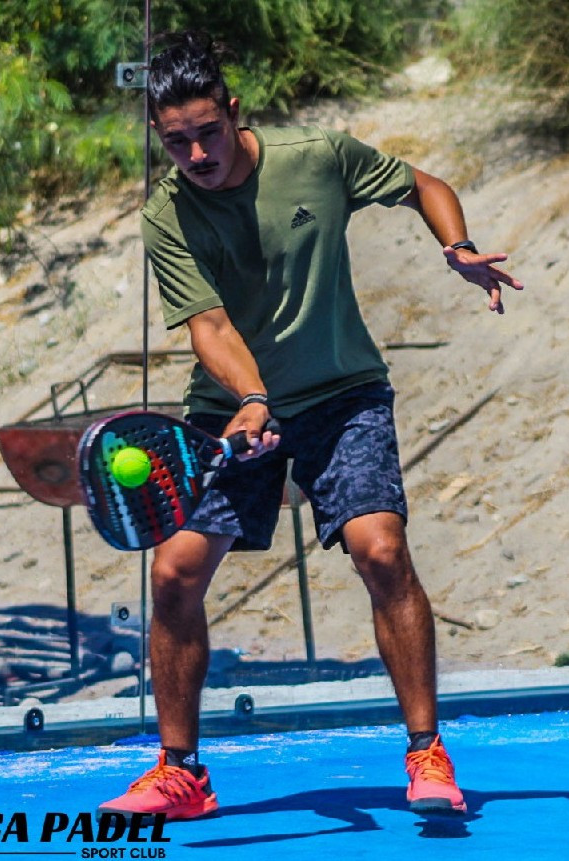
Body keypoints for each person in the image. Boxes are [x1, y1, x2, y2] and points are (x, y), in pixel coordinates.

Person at [98, 31, 524, 822]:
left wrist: (456, 246)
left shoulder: (317, 157)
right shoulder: (167, 215)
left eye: (208, 132)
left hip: (342, 393)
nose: (196, 154)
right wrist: (252, 397)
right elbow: (208, 326)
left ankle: (426, 751)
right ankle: (181, 772)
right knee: (173, 574)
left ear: (234, 111)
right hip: (230, 408)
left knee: (380, 549)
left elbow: (421, 184)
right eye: (176, 142)